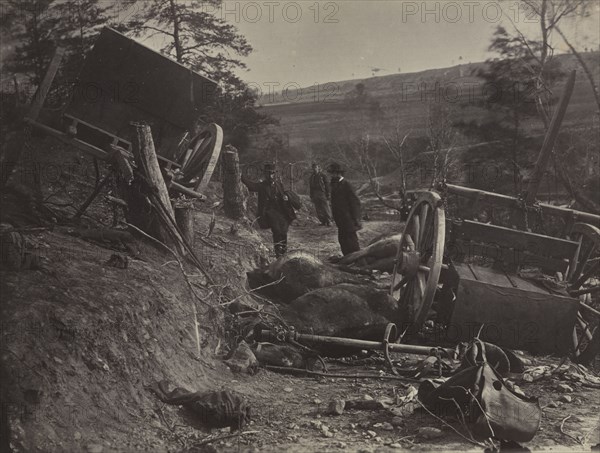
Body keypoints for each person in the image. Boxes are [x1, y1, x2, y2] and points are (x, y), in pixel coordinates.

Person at [242, 162, 296, 257]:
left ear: (275, 174)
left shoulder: (279, 184)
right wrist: (241, 177)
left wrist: (286, 197)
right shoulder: (262, 186)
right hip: (269, 211)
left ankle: (283, 252)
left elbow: (283, 194)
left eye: (272, 173)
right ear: (265, 175)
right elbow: (251, 186)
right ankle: (278, 253)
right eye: (268, 174)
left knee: (283, 231)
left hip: (281, 210)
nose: (270, 176)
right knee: (277, 230)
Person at [327, 162, 362, 255]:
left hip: (348, 218)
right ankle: (347, 259)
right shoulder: (335, 185)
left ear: (339, 173)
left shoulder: (347, 185)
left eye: (333, 173)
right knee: (342, 240)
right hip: (340, 219)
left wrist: (356, 219)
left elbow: (355, 203)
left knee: (352, 240)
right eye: (331, 173)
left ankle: (357, 259)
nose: (332, 175)